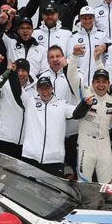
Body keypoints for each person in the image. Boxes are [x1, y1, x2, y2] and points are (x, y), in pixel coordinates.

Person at [9, 74, 91, 177]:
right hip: (30, 156)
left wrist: (85, 104)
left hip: (54, 159)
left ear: (52, 88)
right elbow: (17, 90)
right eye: (41, 89)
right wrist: (12, 73)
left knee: (52, 192)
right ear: (37, 90)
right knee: (27, 190)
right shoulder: (30, 102)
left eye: (47, 88)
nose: (45, 92)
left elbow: (76, 113)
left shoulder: (62, 104)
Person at [69, 47, 112, 183]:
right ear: (92, 83)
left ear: (108, 84)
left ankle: (107, 205)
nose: (101, 85)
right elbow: (72, 77)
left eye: (104, 82)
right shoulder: (86, 94)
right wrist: (74, 57)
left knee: (107, 184)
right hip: (86, 143)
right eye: (98, 81)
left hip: (104, 144)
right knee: (84, 183)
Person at [37, 45, 79, 177]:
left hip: (72, 133)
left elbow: (79, 89)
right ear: (48, 60)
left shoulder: (74, 73)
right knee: (56, 175)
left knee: (75, 172)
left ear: (63, 57)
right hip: (52, 136)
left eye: (58, 56)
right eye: (51, 57)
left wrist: (68, 68)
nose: (55, 60)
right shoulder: (42, 78)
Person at [0, 56, 38, 158]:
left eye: (23, 70)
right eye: (18, 70)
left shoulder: (37, 88)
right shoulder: (5, 85)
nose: (20, 74)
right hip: (6, 138)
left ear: (28, 72)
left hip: (26, 139)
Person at [0, 14, 49, 78]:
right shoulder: (10, 43)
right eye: (22, 28)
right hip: (13, 83)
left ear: (32, 30)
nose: (25, 31)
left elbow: (44, 71)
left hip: (32, 86)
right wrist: (1, 23)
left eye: (28, 28)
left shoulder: (41, 49)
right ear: (18, 31)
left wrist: (33, 82)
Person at [67, 6, 109, 88]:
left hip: (98, 82)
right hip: (81, 82)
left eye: (90, 18)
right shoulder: (73, 36)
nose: (87, 21)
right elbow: (69, 59)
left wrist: (106, 46)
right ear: (80, 19)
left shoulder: (102, 35)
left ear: (93, 18)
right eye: (84, 18)